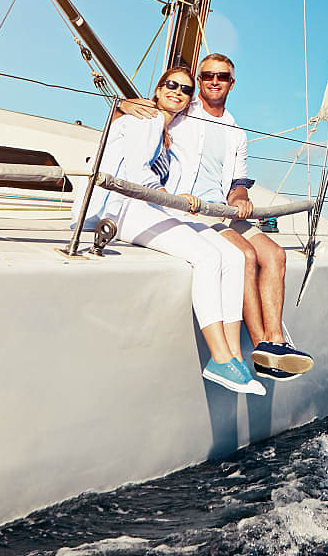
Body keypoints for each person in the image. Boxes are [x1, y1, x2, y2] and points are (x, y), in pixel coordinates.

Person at [120, 54, 313, 382]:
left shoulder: (236, 132)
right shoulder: (183, 111)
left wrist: (241, 200)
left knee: (275, 255)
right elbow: (148, 111)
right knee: (246, 255)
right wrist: (124, 104)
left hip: (223, 210)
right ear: (199, 80)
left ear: (231, 83)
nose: (213, 80)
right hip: (191, 209)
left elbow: (237, 185)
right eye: (207, 75)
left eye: (221, 76)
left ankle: (277, 341)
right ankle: (262, 347)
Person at [75, 66, 264, 396]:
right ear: (158, 90)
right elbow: (137, 173)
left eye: (186, 89)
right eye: (171, 85)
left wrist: (180, 201)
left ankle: (234, 354)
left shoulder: (167, 132)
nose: (178, 91)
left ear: (190, 100)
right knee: (207, 257)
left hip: (150, 207)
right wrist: (172, 199)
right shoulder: (144, 120)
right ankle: (219, 358)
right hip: (123, 208)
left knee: (233, 257)